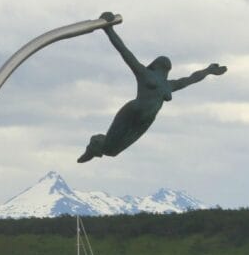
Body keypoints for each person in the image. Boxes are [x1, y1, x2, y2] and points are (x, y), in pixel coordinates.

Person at [78, 13, 227, 162]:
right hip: (133, 110)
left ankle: (96, 147)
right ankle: (93, 148)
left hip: (145, 121)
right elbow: (125, 52)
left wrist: (208, 71)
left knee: (113, 151)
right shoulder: (145, 74)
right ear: (156, 65)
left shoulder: (168, 85)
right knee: (110, 146)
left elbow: (191, 79)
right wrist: (109, 30)